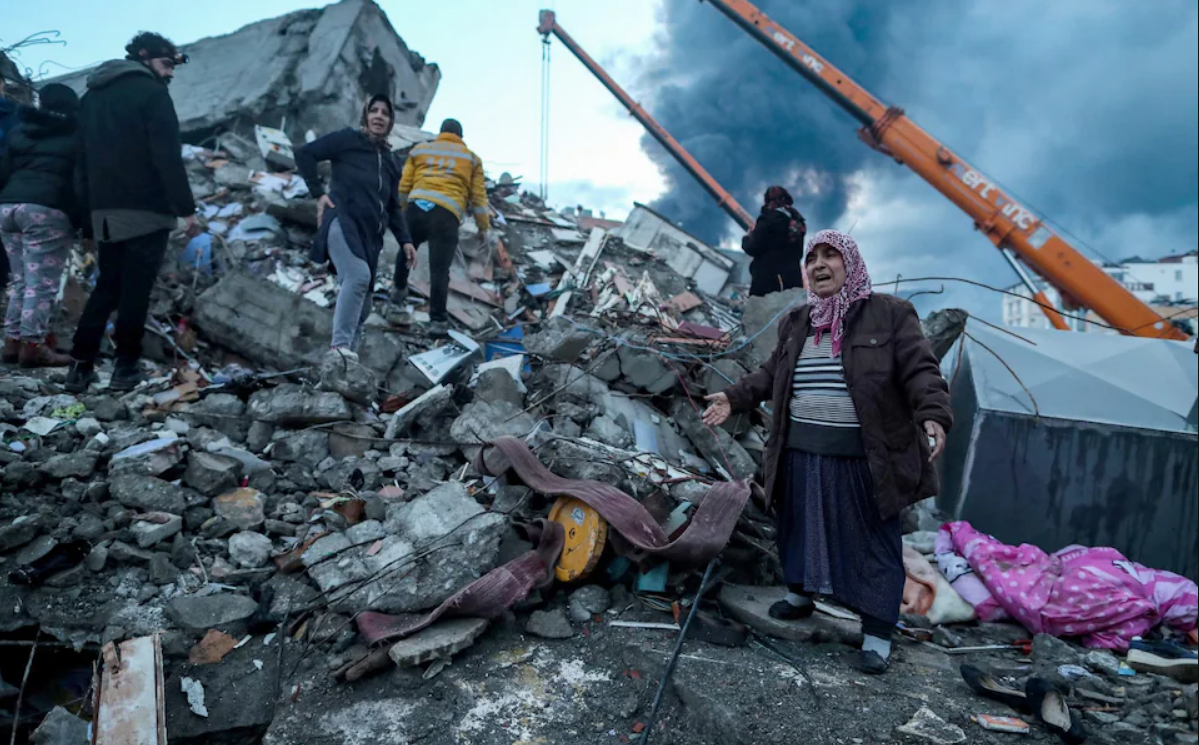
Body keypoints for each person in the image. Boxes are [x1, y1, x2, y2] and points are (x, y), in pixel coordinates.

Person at [702, 229, 952, 675]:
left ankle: (876, 631)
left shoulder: (890, 314)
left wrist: (933, 412)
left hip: (863, 458)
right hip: (799, 450)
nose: (819, 265)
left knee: (872, 543)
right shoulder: (797, 321)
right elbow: (770, 373)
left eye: (830, 256)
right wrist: (733, 398)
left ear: (850, 263)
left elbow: (920, 369)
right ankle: (800, 594)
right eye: (812, 257)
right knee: (798, 527)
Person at [65, 32, 197, 393]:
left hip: (105, 210)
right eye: (166, 64)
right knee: (136, 290)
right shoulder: (153, 94)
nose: (170, 74)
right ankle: (125, 368)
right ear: (144, 56)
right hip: (146, 208)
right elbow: (166, 156)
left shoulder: (90, 97)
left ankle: (79, 367)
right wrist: (187, 209)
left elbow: (82, 161)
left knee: (107, 287)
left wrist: (87, 216)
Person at [295, 93, 416, 359]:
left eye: (385, 113)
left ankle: (348, 367)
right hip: (341, 221)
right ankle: (339, 350)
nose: (379, 116)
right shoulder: (348, 140)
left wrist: (406, 240)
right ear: (366, 115)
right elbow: (305, 153)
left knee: (364, 307)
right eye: (374, 111)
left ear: (390, 121)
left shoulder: (392, 161)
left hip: (370, 238)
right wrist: (318, 193)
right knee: (358, 277)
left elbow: (394, 206)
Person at [0, 84, 81, 367]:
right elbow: (79, 181)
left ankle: (12, 343)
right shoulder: (74, 133)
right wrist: (80, 217)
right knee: (42, 284)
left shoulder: (20, 129)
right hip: (45, 210)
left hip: (8, 207)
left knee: (21, 280)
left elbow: (3, 169)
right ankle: (33, 347)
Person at [389, 118, 490, 338]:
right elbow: (479, 197)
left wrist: (402, 211)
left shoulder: (421, 150)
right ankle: (437, 322)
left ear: (440, 133)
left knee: (406, 252)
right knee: (439, 270)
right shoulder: (471, 158)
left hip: (416, 208)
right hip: (446, 215)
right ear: (460, 137)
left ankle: (396, 298)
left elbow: (404, 185)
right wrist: (484, 228)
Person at [742, 185, 806, 297]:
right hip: (792, 284)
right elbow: (799, 254)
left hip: (766, 285)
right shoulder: (797, 223)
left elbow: (752, 247)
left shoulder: (768, 219)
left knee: (762, 313)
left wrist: (746, 238)